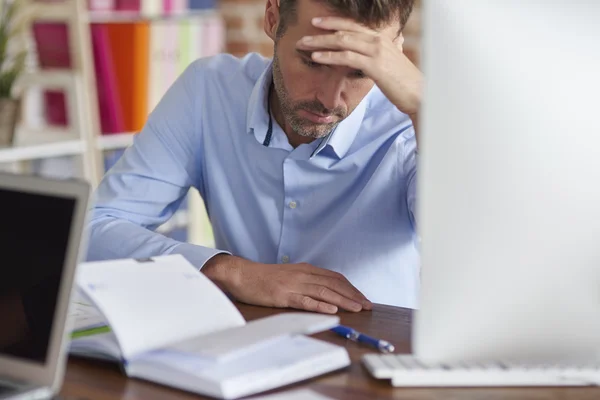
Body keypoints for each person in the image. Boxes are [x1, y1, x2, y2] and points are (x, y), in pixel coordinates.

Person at [87, 0, 423, 312]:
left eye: (359, 72)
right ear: (273, 18)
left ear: (395, 51)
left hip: (374, 355)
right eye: (314, 62)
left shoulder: (412, 128)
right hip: (242, 349)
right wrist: (230, 271)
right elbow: (93, 230)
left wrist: (426, 110)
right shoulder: (209, 91)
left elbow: (465, 258)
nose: (329, 99)